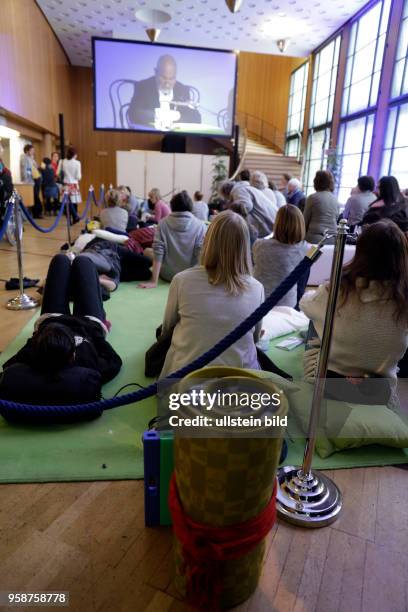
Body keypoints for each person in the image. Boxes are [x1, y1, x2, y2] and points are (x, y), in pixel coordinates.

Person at [300, 220, 408, 405]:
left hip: (330, 379)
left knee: (317, 317)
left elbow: (304, 304)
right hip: (378, 386)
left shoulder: (338, 290)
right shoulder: (404, 297)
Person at [0, 254, 122, 409]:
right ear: (73, 355)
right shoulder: (89, 364)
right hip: (88, 322)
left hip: (53, 318)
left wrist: (36, 340)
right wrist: (97, 335)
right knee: (82, 261)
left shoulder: (31, 356)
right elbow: (114, 360)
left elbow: (8, 367)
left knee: (60, 260)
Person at [159, 210, 265, 378]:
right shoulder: (257, 288)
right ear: (245, 246)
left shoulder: (181, 280)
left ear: (207, 240)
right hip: (241, 388)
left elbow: (166, 329)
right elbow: (256, 338)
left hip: (184, 387)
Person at [139, 190, 206, 288]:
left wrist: (154, 282)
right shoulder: (201, 226)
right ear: (190, 206)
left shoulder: (162, 223)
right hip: (190, 276)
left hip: (167, 275)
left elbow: (158, 251)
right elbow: (200, 254)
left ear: (173, 206)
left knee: (147, 251)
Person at [253, 205, 309, 307]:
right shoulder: (305, 248)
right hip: (287, 304)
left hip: (258, 302)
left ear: (277, 224)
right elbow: (302, 283)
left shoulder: (259, 245)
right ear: (301, 225)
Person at [128, 55, 202, 128]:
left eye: (171, 79)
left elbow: (196, 118)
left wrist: (177, 117)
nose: (167, 84)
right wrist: (159, 116)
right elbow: (133, 113)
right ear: (156, 72)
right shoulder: (143, 86)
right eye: (163, 78)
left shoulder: (182, 89)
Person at [303, 170, 339, 244]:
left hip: (314, 239)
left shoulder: (312, 198)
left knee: (309, 255)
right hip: (332, 239)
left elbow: (305, 220)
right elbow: (336, 218)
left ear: (316, 182)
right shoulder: (335, 199)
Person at [57, 147, 81, 224]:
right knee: (74, 202)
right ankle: (75, 217)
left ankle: (69, 220)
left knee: (67, 203)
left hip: (65, 185)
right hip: (74, 185)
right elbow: (78, 177)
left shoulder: (62, 161)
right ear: (74, 154)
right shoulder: (77, 163)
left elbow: (57, 173)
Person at [20, 143, 43, 218]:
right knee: (34, 196)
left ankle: (37, 213)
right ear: (27, 151)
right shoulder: (24, 158)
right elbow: (25, 170)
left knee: (35, 196)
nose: (33, 151)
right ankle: (36, 213)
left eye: (33, 150)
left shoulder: (31, 158)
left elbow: (35, 167)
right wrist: (26, 179)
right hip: (30, 180)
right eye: (31, 150)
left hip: (36, 178)